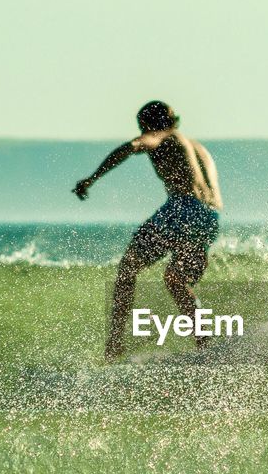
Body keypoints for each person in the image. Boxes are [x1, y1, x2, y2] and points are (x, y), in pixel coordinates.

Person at [73, 101, 223, 361]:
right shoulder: (199, 148)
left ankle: (115, 344)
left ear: (149, 125)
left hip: (181, 209)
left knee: (128, 267)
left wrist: (92, 178)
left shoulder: (162, 136)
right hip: (209, 217)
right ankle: (204, 342)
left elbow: (132, 147)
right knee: (176, 279)